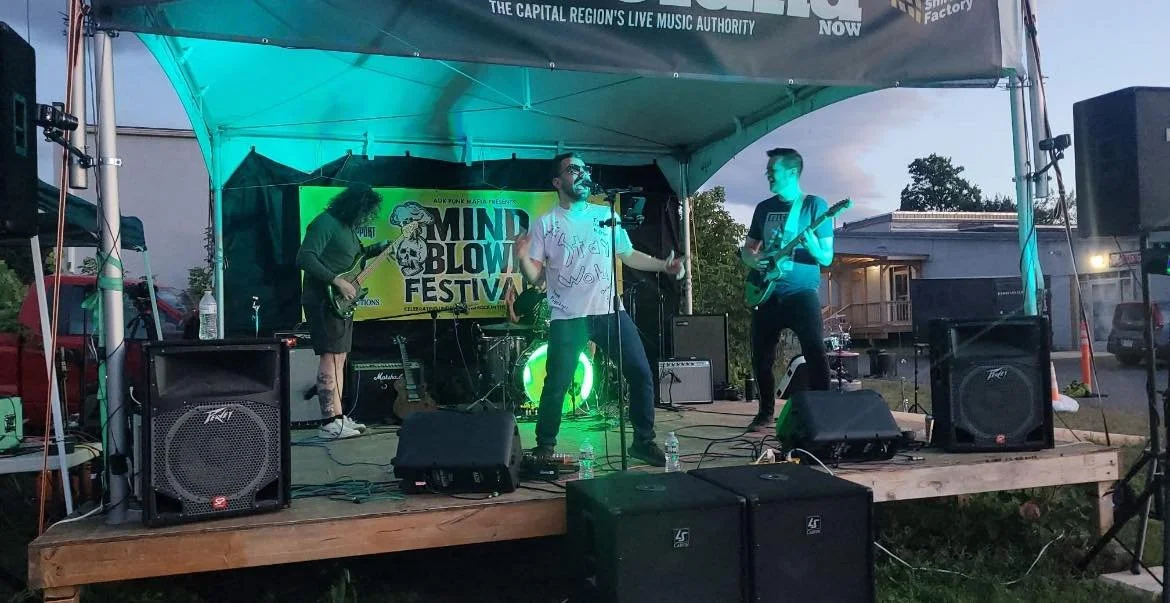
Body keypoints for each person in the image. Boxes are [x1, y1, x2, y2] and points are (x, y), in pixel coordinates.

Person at [515, 152, 684, 467]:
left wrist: (664, 265)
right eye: (573, 169)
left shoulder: (606, 214)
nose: (581, 173)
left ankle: (643, 442)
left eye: (584, 168)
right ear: (557, 182)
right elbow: (536, 277)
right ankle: (544, 448)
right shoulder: (546, 223)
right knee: (556, 385)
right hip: (568, 316)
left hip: (610, 311)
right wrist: (524, 258)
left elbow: (628, 253)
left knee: (641, 373)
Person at [741, 148, 835, 431]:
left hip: (800, 293)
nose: (768, 175)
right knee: (761, 356)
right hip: (766, 292)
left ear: (792, 172)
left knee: (815, 350)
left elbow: (827, 257)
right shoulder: (763, 208)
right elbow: (748, 249)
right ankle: (765, 413)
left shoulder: (814, 205)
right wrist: (754, 261)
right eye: (768, 170)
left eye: (774, 170)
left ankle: (823, 414)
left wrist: (812, 246)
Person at [296, 183, 390, 440]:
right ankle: (328, 422)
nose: (366, 218)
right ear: (355, 207)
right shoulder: (325, 223)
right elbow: (304, 257)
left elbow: (356, 257)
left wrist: (381, 247)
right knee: (330, 357)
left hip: (341, 304)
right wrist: (336, 281)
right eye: (365, 212)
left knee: (340, 358)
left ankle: (337, 417)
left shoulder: (347, 229)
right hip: (324, 300)